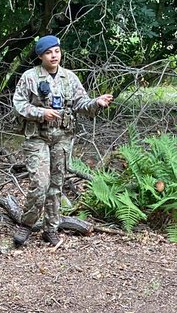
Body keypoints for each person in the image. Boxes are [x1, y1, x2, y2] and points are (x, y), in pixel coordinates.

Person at [11, 34, 114, 247]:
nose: (54, 56)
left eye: (56, 51)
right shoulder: (30, 77)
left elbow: (81, 104)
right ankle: (27, 225)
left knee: (56, 185)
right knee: (40, 183)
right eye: (48, 53)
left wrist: (97, 102)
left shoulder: (70, 78)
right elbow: (19, 104)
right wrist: (41, 113)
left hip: (62, 138)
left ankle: (51, 228)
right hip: (37, 138)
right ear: (40, 56)